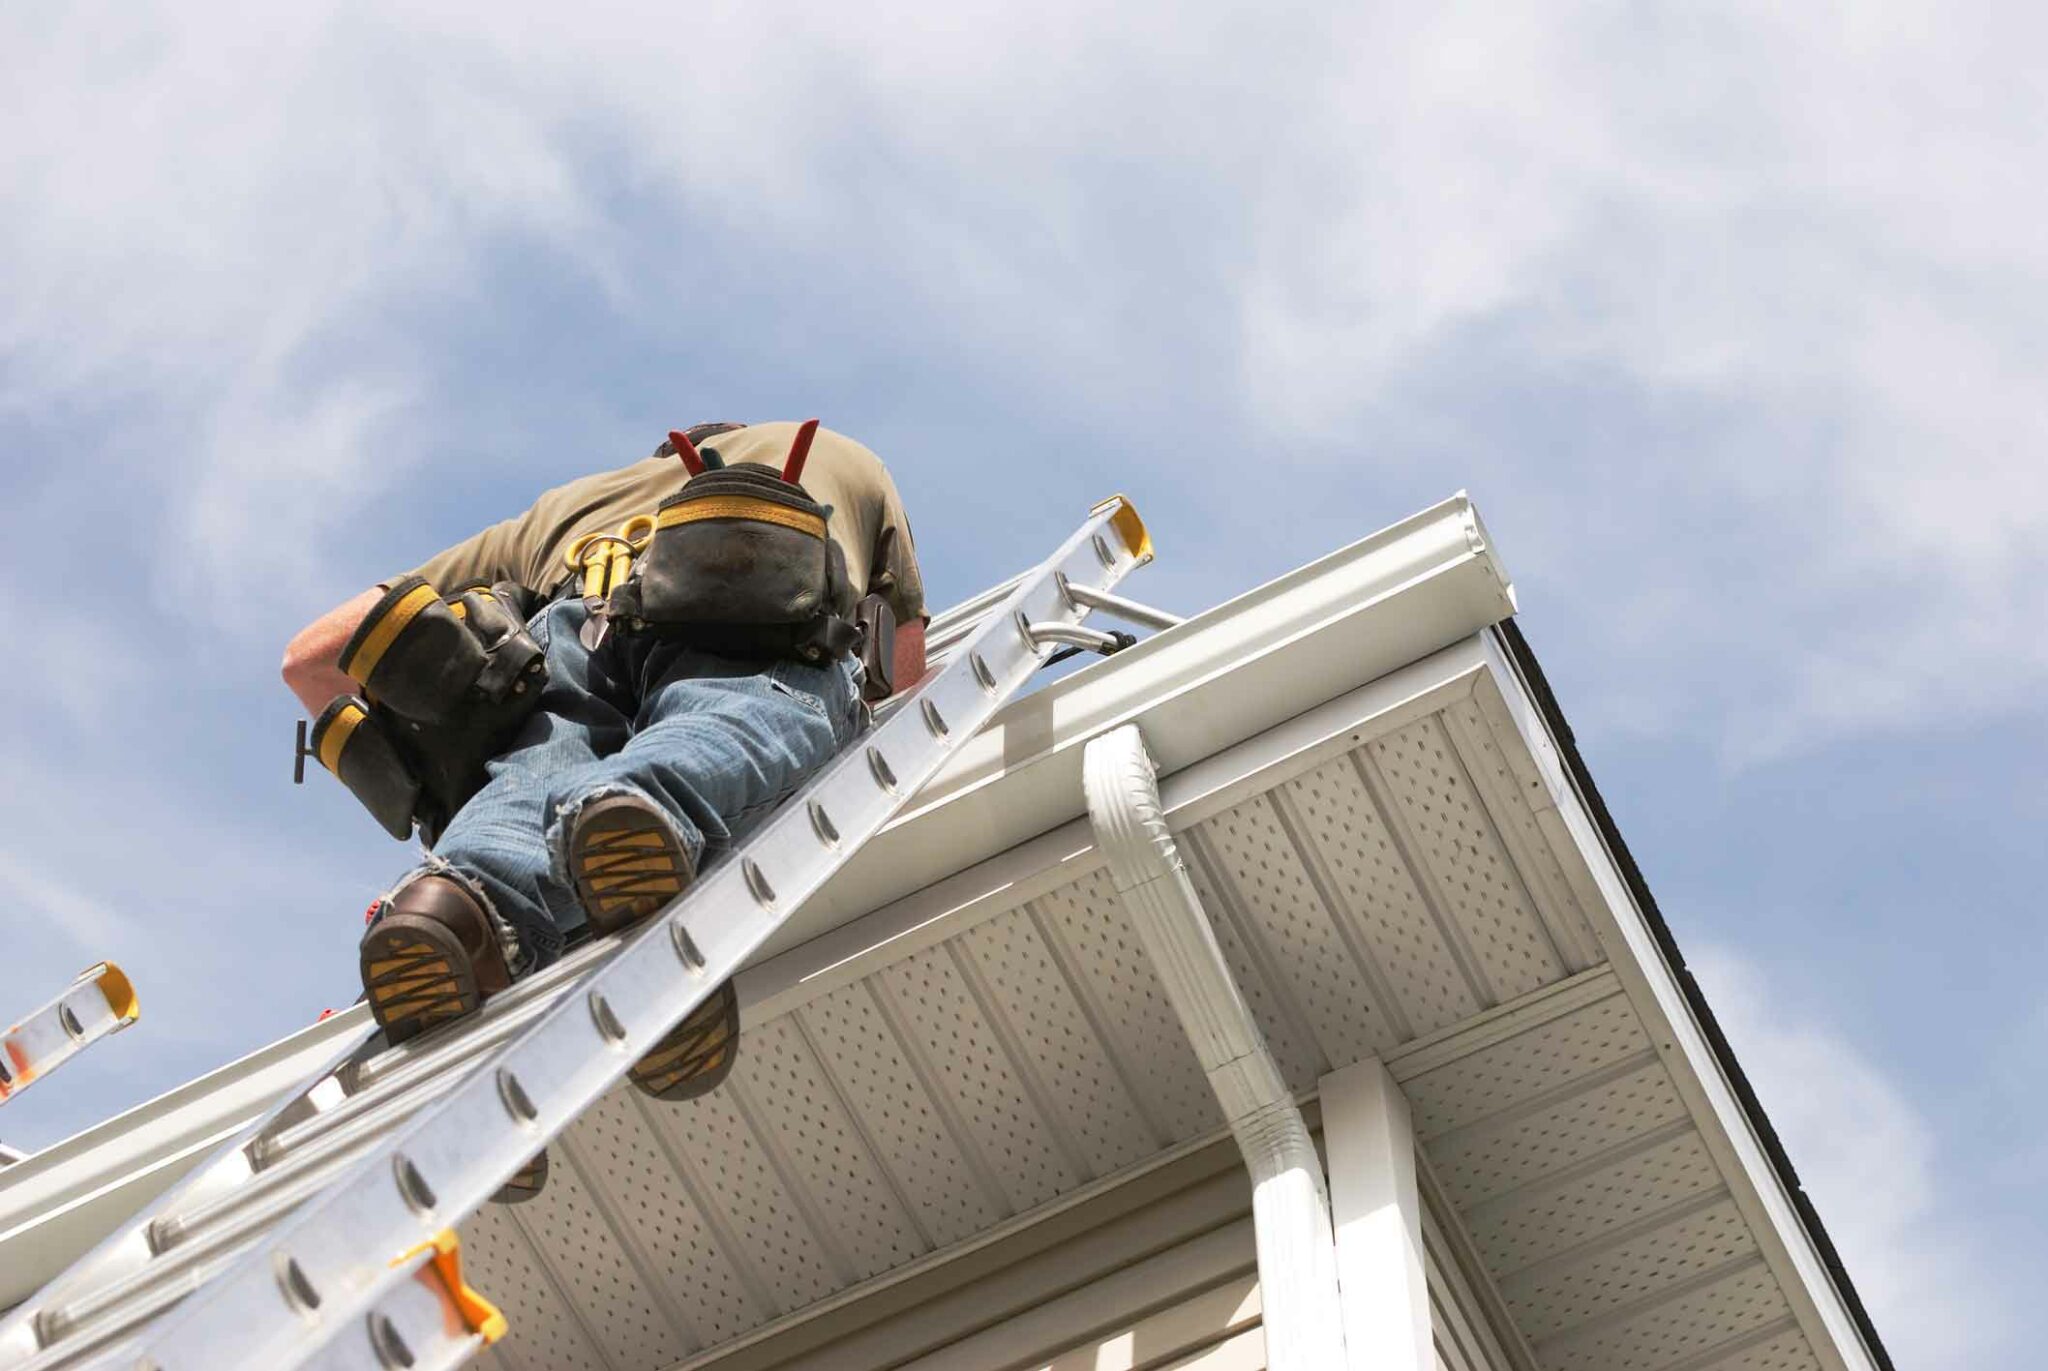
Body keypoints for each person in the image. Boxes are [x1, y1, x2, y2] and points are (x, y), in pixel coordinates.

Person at [283, 421, 926, 1135]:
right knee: (738, 713)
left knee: (530, 781)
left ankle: (452, 904)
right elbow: (904, 675)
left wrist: (407, 762)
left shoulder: (561, 510)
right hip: (755, 586)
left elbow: (311, 655)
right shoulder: (842, 457)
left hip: (572, 627)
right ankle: (644, 810)